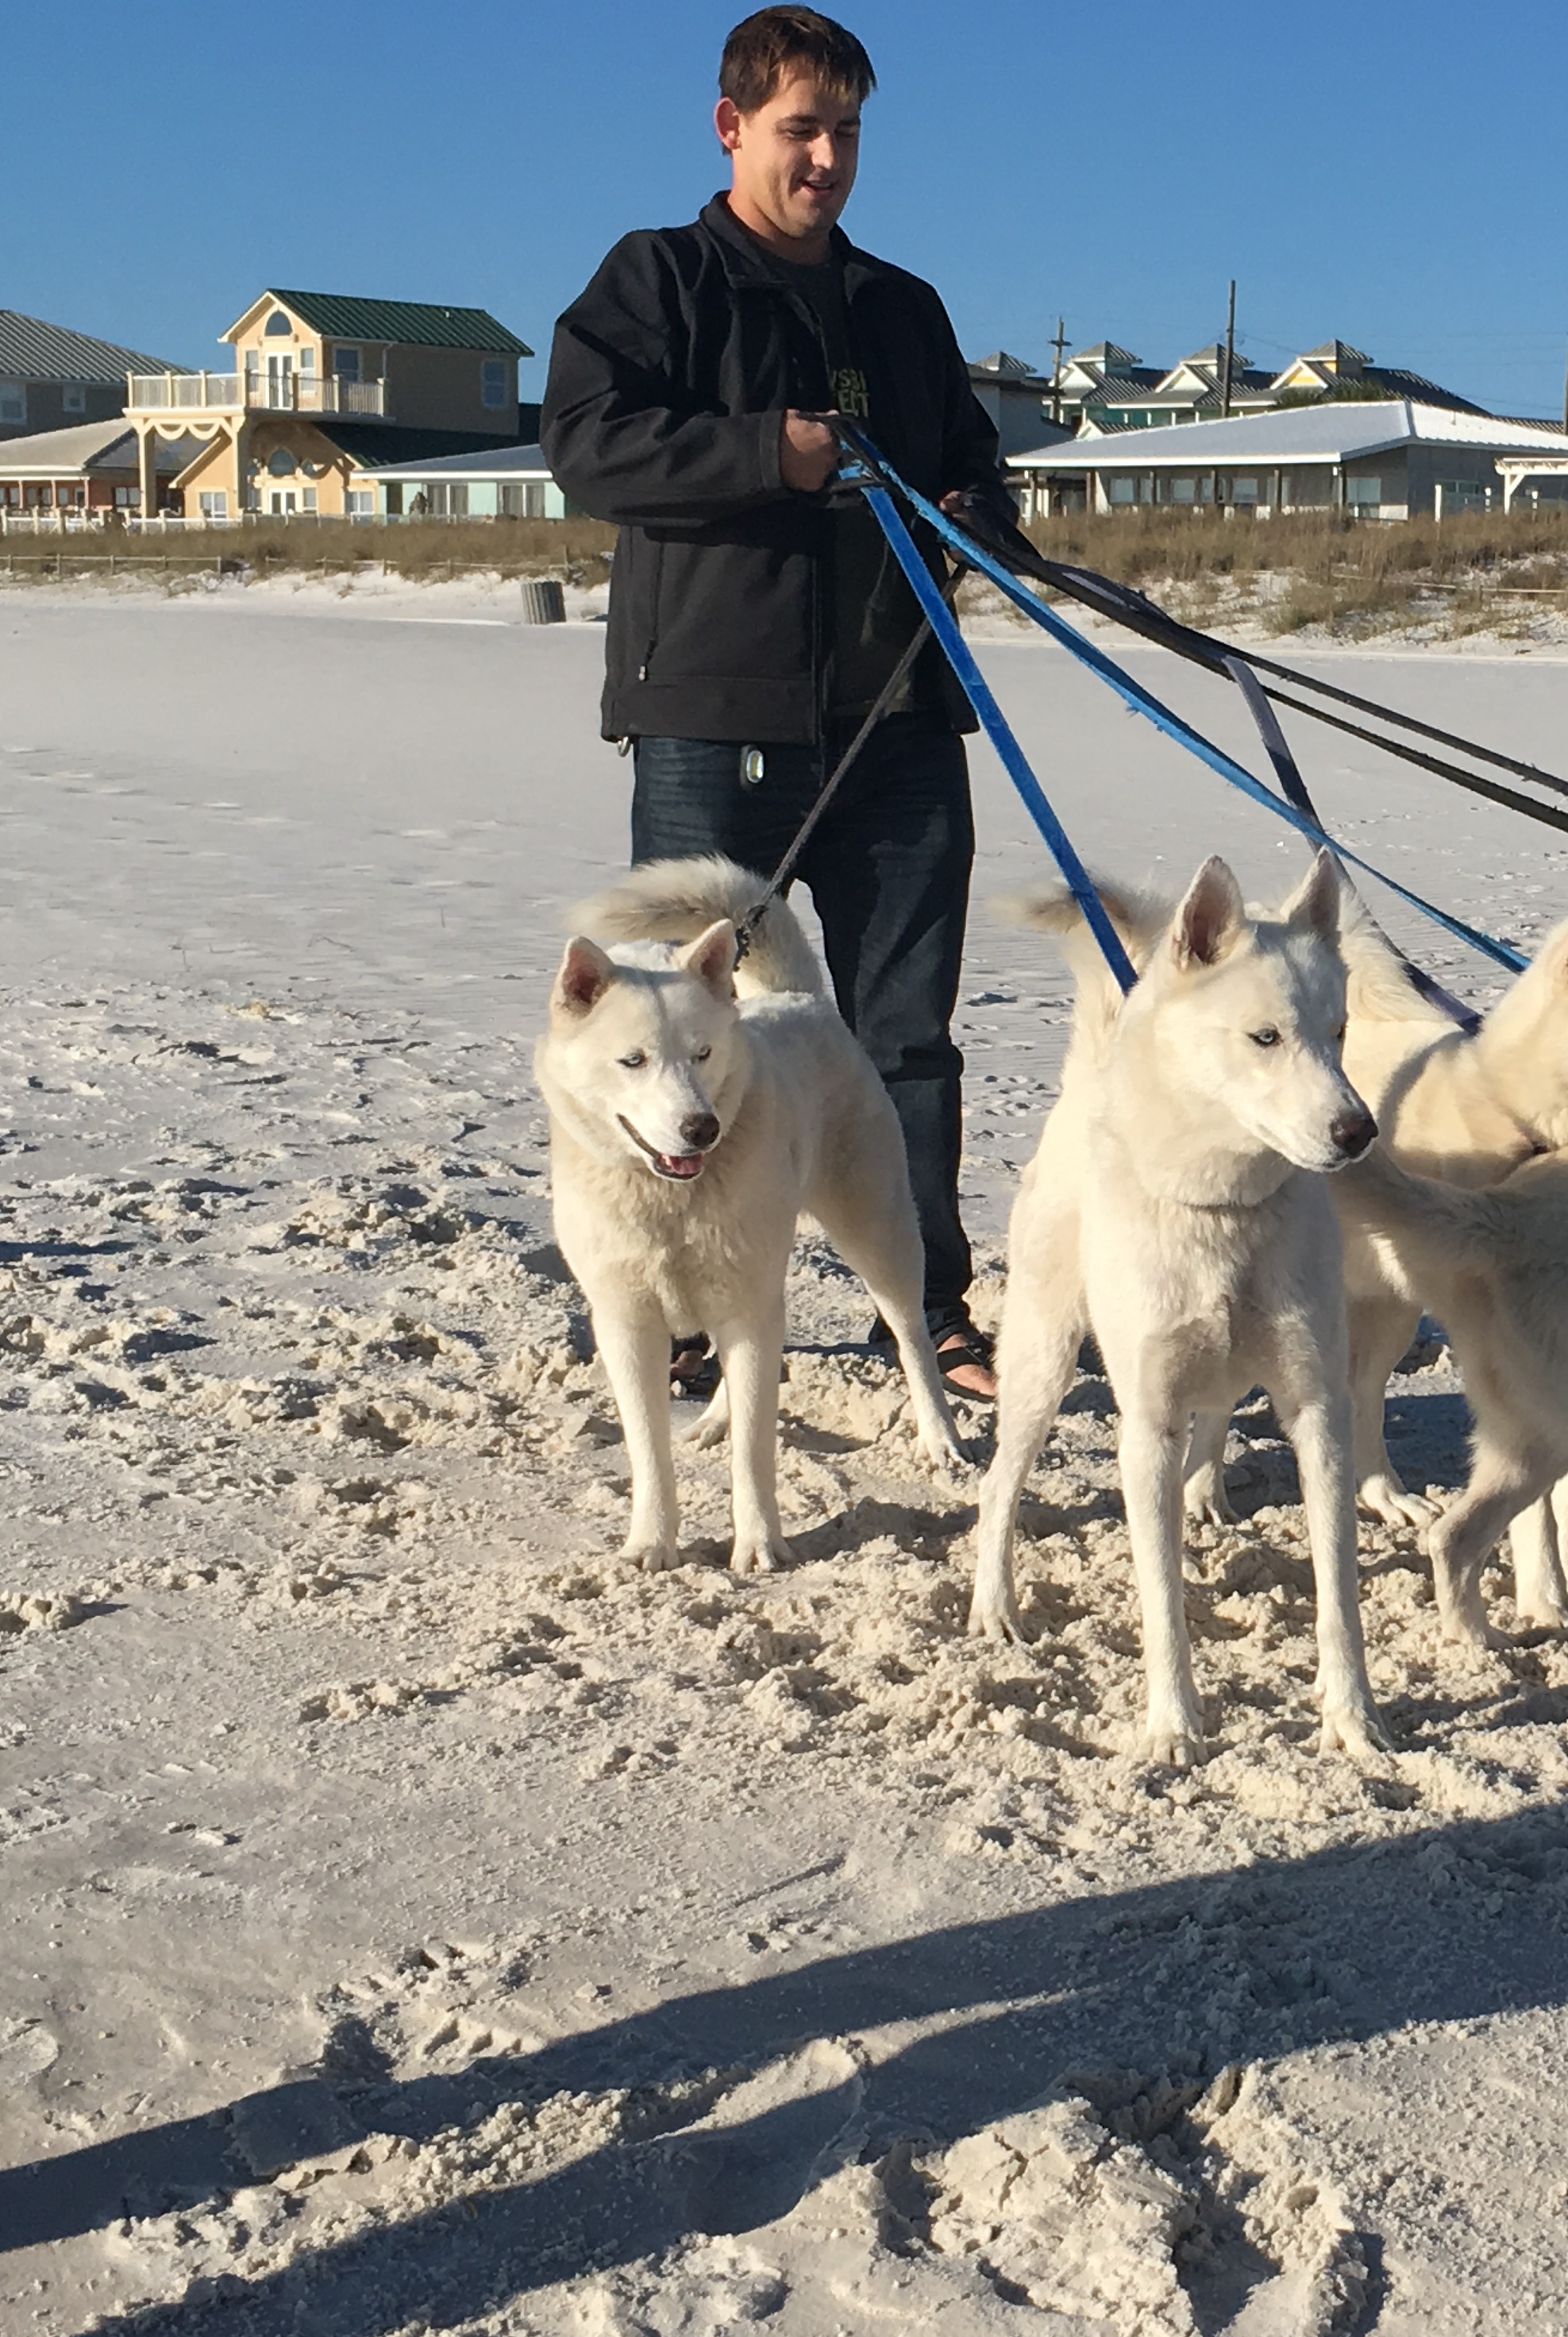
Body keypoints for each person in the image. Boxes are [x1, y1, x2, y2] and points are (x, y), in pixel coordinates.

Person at [542, 4, 1010, 1401]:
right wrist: (774, 452)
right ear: (733, 126)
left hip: (902, 718)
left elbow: (973, 464)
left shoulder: (903, 308)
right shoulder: (660, 278)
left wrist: (983, 517)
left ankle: (924, 1302)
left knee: (905, 1037)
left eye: (847, 132)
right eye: (802, 129)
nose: (827, 159)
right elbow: (586, 445)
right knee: (690, 1034)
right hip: (715, 718)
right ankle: (686, 1316)